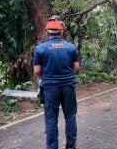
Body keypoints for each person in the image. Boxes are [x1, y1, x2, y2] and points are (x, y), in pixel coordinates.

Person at [33, 17, 80, 149]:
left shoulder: (40, 48)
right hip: (68, 87)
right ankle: (71, 145)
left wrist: (45, 78)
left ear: (47, 32)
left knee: (51, 119)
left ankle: (52, 147)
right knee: (70, 116)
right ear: (61, 32)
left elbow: (37, 71)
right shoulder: (70, 47)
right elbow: (76, 68)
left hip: (50, 88)